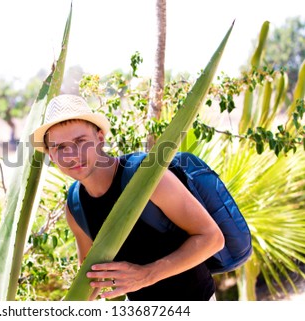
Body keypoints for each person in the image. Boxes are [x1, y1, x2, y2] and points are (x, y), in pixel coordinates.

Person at [30, 94, 224, 301]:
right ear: (51, 156)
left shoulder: (146, 176)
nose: (73, 155)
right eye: (60, 147)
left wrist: (145, 276)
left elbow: (212, 238)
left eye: (80, 141)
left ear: (100, 138)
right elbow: (92, 277)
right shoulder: (75, 205)